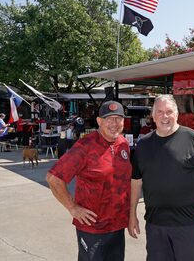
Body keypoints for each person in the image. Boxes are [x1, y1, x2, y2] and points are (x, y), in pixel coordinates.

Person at [129, 94, 194, 261]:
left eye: (169, 112)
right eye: (160, 112)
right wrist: (132, 214)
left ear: (177, 115)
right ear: (153, 116)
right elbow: (136, 181)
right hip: (155, 225)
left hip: (187, 225)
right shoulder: (143, 144)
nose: (165, 116)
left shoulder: (192, 139)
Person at [46, 101, 131, 261]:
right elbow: (54, 178)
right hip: (93, 229)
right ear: (99, 121)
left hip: (117, 226)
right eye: (109, 119)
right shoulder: (85, 145)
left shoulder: (123, 144)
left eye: (118, 118)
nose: (114, 123)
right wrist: (72, 207)